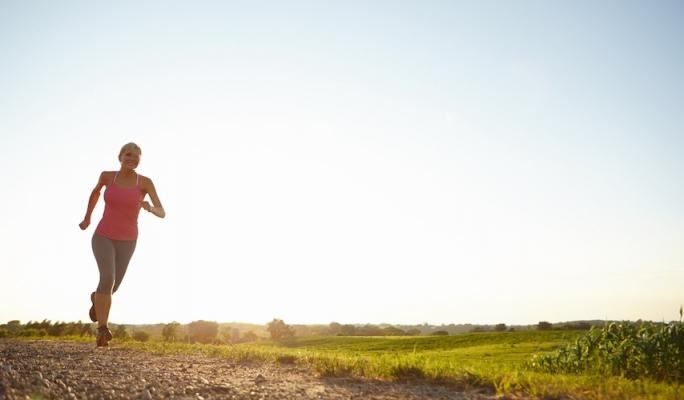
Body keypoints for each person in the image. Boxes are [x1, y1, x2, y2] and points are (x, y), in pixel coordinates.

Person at [78, 142, 165, 347]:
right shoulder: (107, 176)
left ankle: (96, 299)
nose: (132, 159)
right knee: (107, 277)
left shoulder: (145, 182)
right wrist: (87, 217)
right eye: (128, 154)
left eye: (136, 157)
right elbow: (95, 193)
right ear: (120, 156)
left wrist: (149, 208)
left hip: (128, 240)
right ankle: (102, 329)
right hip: (103, 235)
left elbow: (162, 212)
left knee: (112, 286)